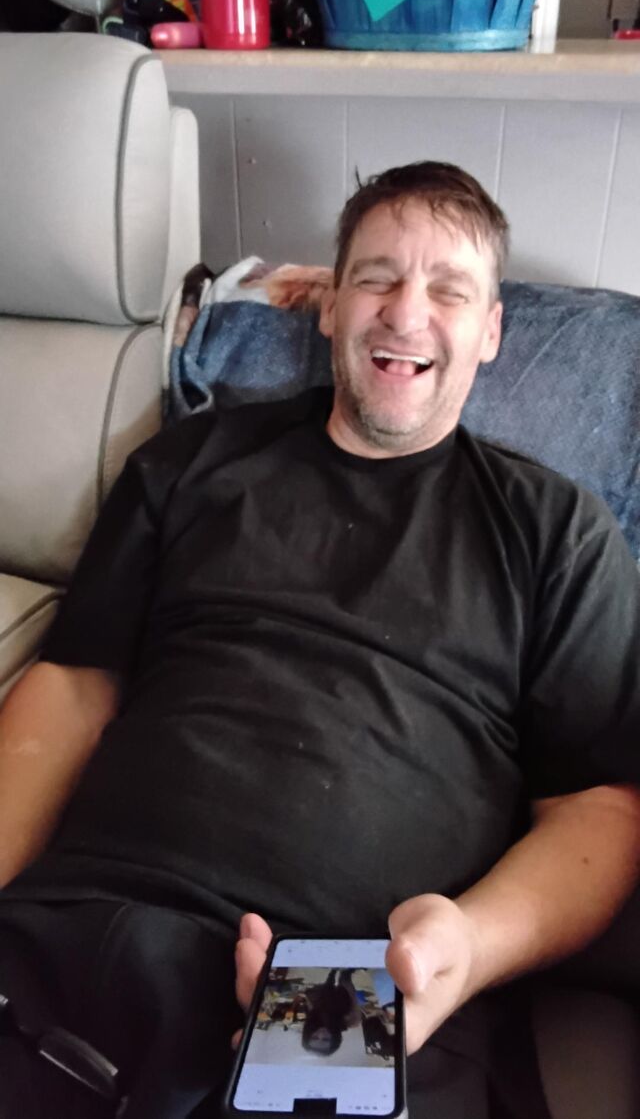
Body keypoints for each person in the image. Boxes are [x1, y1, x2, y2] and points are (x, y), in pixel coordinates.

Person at [0, 161, 639, 1119]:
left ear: (491, 331)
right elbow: (73, 685)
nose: (406, 312)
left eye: (450, 290)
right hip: (81, 925)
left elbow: (599, 806)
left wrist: (463, 952)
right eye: (378, 277)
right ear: (330, 306)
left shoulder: (557, 532)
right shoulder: (192, 462)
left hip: (350, 982)